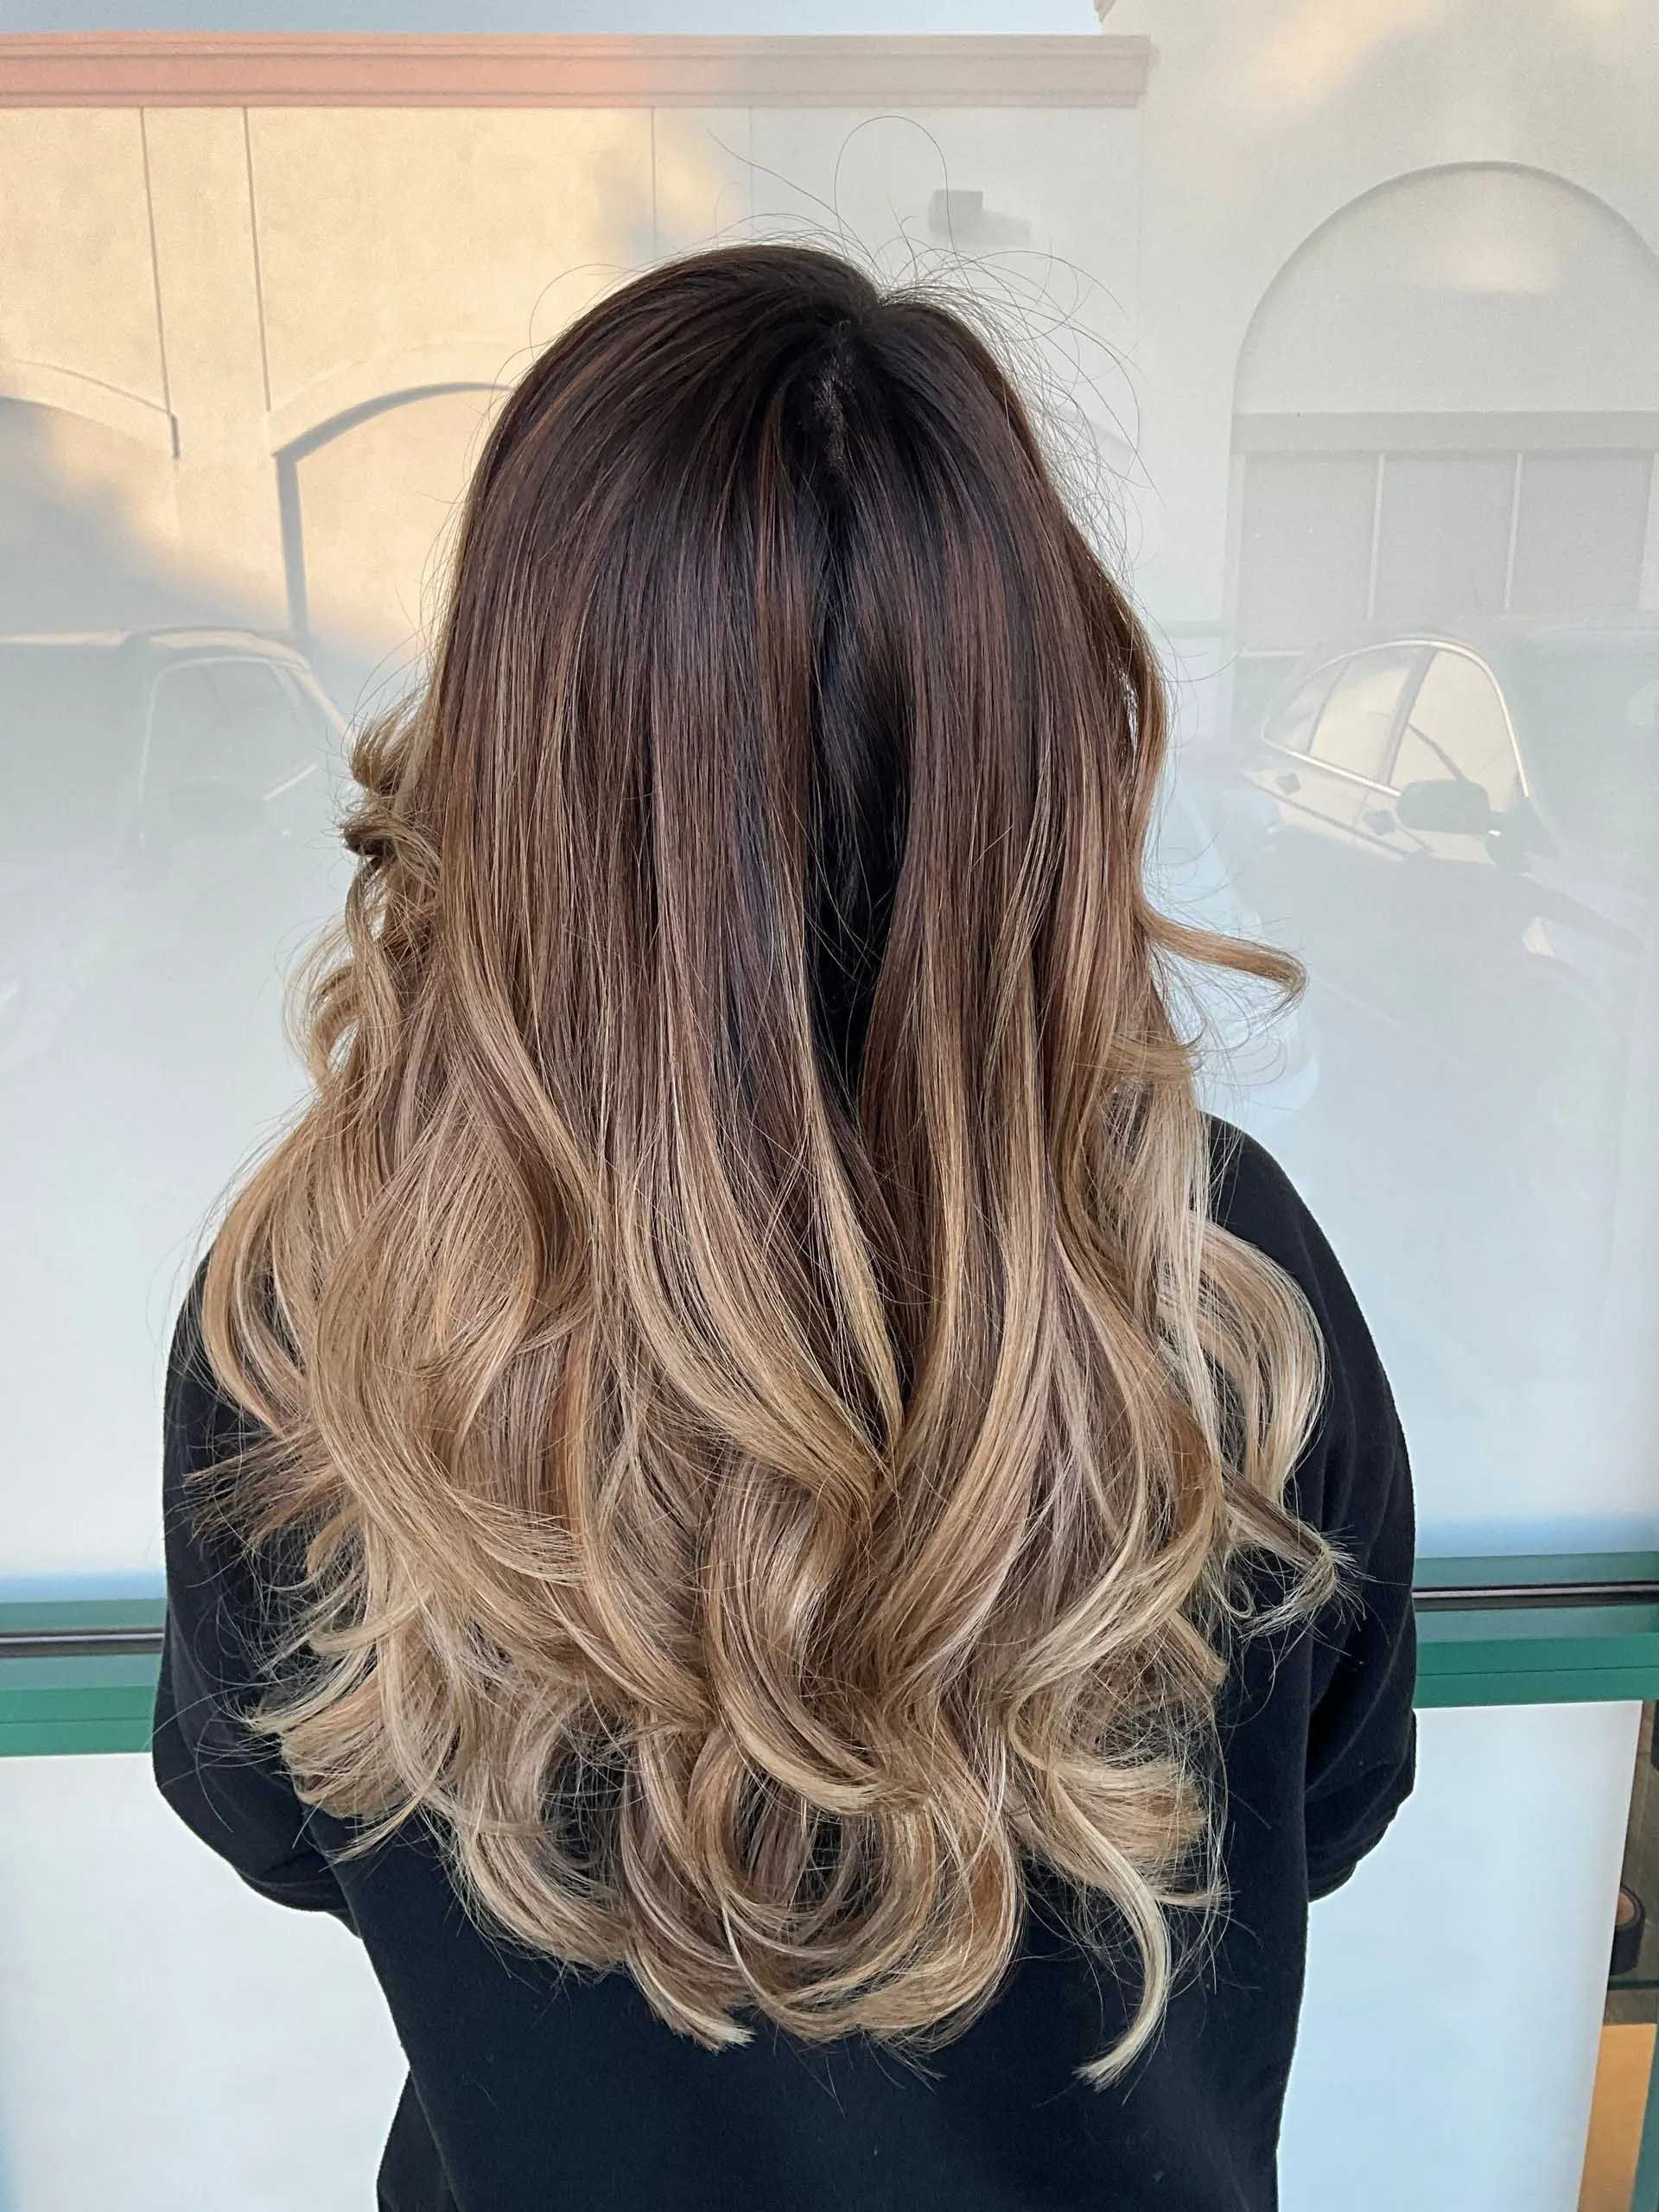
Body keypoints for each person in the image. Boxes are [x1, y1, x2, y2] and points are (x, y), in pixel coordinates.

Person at [152, 242, 1416, 2212]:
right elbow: (1317, 1810)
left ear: (514, 738)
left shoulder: (322, 1307)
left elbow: (274, 1815)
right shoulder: (1223, 1286)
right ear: (1036, 749)